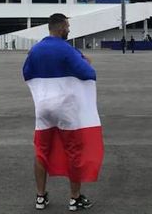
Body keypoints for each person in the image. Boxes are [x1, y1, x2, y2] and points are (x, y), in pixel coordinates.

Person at [22, 13, 103, 211]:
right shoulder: (68, 50)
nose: (69, 29)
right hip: (65, 108)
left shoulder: (35, 49)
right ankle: (74, 198)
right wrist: (86, 62)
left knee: (41, 151)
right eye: (67, 26)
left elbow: (26, 72)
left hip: (43, 108)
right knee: (74, 151)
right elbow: (88, 73)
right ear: (59, 28)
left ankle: (40, 197)